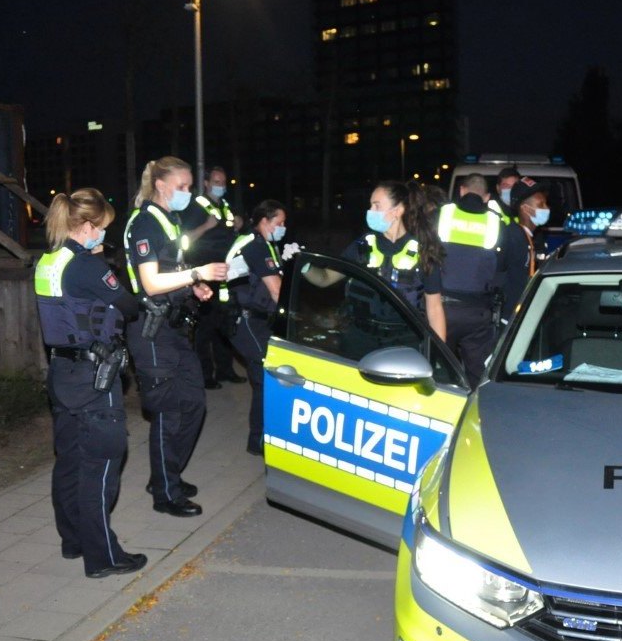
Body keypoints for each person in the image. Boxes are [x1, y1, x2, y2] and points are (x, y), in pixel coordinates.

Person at [34, 187, 147, 579]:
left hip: (62, 374)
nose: (105, 235)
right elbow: (129, 305)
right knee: (100, 465)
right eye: (103, 227)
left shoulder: (49, 259)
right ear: (87, 225)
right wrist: (104, 265)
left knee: (69, 461)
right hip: (93, 377)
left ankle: (74, 540)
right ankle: (103, 557)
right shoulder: (87, 265)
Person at [123, 157, 228, 517]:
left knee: (194, 403)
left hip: (174, 327)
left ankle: (165, 475)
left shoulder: (170, 220)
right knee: (168, 411)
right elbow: (151, 282)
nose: (188, 193)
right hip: (151, 331)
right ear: (162, 185)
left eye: (189, 187)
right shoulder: (144, 223)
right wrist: (198, 272)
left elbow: (173, 269)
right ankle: (165, 493)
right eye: (182, 187)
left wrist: (194, 285)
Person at [304, 180, 447, 347]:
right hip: (359, 341)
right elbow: (324, 278)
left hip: (404, 345)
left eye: (376, 205)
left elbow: (435, 309)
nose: (370, 211)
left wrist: (438, 355)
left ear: (398, 210)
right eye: (370, 205)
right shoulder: (363, 246)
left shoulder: (422, 251)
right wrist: (305, 266)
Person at [437, 173, 528, 387]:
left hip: (440, 310)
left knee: (441, 373)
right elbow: (503, 269)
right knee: (479, 375)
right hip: (478, 313)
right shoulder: (496, 224)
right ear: (487, 197)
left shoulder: (441, 215)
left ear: (461, 190)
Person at [225, 199, 288, 455]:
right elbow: (276, 291)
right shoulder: (255, 246)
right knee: (266, 378)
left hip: (256, 318)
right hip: (246, 319)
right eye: (279, 223)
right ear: (264, 221)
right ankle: (259, 441)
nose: (283, 227)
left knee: (265, 378)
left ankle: (263, 437)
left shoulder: (263, 244)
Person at [180, 166, 246, 389]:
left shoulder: (224, 206)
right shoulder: (194, 206)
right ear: (206, 183)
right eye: (216, 182)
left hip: (225, 273)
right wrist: (206, 226)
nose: (221, 186)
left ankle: (225, 370)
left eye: (223, 182)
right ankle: (205, 375)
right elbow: (185, 239)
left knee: (224, 322)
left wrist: (237, 223)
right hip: (204, 273)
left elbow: (230, 232)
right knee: (204, 326)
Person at [509, 176, 552, 276]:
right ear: (525, 208)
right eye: (541, 205)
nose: (547, 208)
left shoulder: (532, 238)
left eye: (546, 204)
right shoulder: (514, 239)